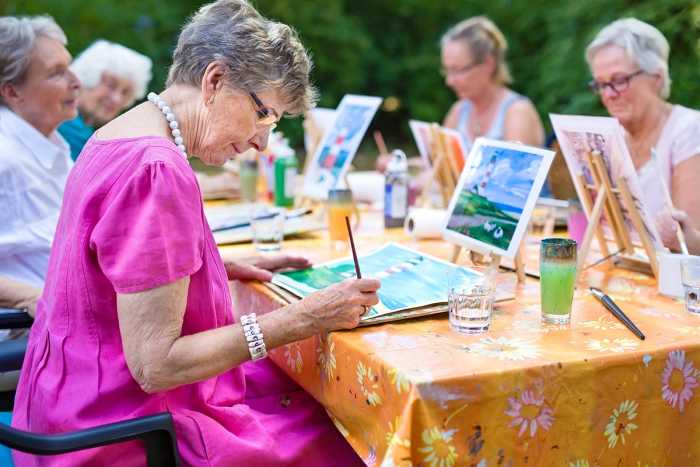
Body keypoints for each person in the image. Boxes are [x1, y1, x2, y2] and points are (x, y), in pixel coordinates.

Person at [12, 1, 380, 465]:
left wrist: (205, 264)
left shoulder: (116, 135)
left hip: (65, 403)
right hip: (121, 433)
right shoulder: (156, 169)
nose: (261, 142)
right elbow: (156, 365)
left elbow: (105, 270)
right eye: (265, 114)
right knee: (353, 432)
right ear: (215, 80)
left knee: (294, 389)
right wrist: (301, 320)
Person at [586, 18, 700, 253]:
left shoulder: (689, 129)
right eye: (600, 84)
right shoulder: (609, 136)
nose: (609, 94)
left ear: (656, 79)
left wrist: (677, 235)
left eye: (619, 80)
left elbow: (692, 243)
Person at [0, 16, 80, 324]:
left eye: (68, 66)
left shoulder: (47, 142)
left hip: (69, 322)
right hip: (29, 335)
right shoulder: (5, 156)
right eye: (56, 73)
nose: (76, 81)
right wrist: (33, 298)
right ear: (12, 92)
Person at [441, 16, 544, 149]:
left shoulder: (517, 111)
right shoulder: (458, 111)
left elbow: (515, 169)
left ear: (488, 64)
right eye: (447, 70)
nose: (449, 81)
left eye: (458, 70)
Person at [57, 39, 152, 160]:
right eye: (111, 85)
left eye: (125, 92)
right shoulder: (57, 123)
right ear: (86, 77)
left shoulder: (92, 137)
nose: (116, 99)